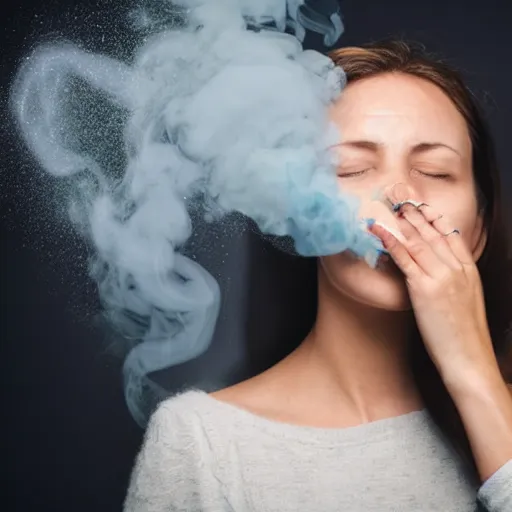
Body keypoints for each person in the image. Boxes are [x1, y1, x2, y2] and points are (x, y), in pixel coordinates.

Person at [123, 39, 512, 511]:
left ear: (478, 231)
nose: (400, 195)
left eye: (435, 170)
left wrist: (474, 375)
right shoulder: (204, 445)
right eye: (352, 168)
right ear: (298, 214)